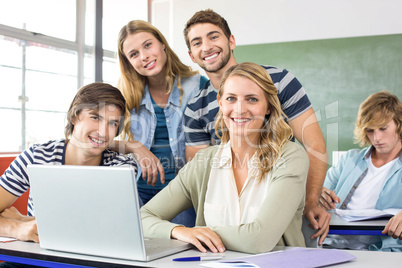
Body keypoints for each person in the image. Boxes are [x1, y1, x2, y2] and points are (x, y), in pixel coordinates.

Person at [182, 9, 330, 244]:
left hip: (279, 202)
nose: (207, 47)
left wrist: (310, 196)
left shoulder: (279, 81)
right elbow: (200, 172)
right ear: (191, 55)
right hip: (228, 214)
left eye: (213, 36)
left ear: (231, 41)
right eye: (197, 42)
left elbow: (314, 143)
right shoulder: (194, 107)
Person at [141, 62, 309, 254]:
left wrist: (202, 233)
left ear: (268, 107)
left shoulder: (290, 156)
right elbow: (144, 217)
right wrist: (178, 231)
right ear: (220, 103)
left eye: (252, 99)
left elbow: (258, 240)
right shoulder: (203, 162)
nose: (239, 109)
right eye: (231, 98)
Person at [0, 83, 137, 241]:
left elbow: (109, 230)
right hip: (37, 258)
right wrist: (14, 228)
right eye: (95, 117)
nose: (103, 132)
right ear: (74, 117)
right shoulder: (37, 157)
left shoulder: (121, 168)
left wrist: (23, 219)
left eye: (112, 123)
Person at [114, 20, 206, 226]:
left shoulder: (198, 85)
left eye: (148, 45)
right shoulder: (123, 96)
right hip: (136, 192)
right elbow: (97, 142)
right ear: (128, 62)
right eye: (134, 54)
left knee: (178, 250)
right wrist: (134, 146)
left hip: (182, 195)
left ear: (162, 44)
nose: (144, 56)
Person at [320, 90, 402, 251]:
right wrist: (318, 195)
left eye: (383, 128)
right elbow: (320, 192)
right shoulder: (349, 160)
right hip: (333, 244)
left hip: (383, 250)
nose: (376, 138)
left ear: (399, 125)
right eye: (370, 130)